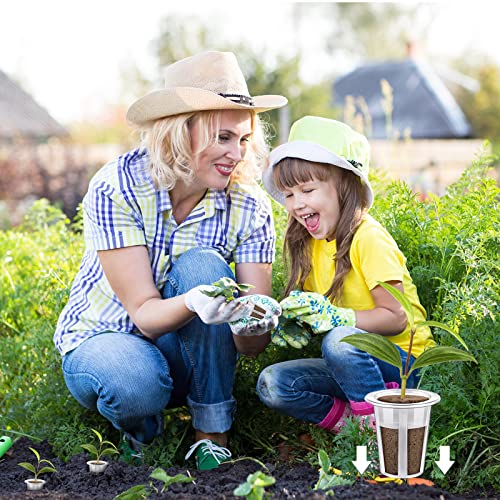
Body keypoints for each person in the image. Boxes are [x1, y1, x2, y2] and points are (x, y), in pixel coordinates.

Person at [53, 51, 286, 470]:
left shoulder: (249, 206)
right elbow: (142, 313)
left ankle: (211, 437)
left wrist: (255, 320)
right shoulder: (118, 186)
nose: (237, 154)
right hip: (106, 340)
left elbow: (250, 347)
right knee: (134, 382)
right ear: (181, 132)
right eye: (223, 137)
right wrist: (196, 302)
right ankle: (144, 436)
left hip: (183, 354)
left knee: (204, 265)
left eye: (244, 139)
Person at [257, 116, 435, 433]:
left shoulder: (368, 238)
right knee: (274, 383)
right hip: (356, 367)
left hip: (408, 366)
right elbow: (324, 319)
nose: (297, 204)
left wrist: (339, 318)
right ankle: (357, 426)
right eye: (289, 194)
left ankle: (385, 433)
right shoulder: (308, 244)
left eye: (307, 189)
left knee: (340, 341)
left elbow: (396, 318)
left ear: (343, 185)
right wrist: (291, 319)